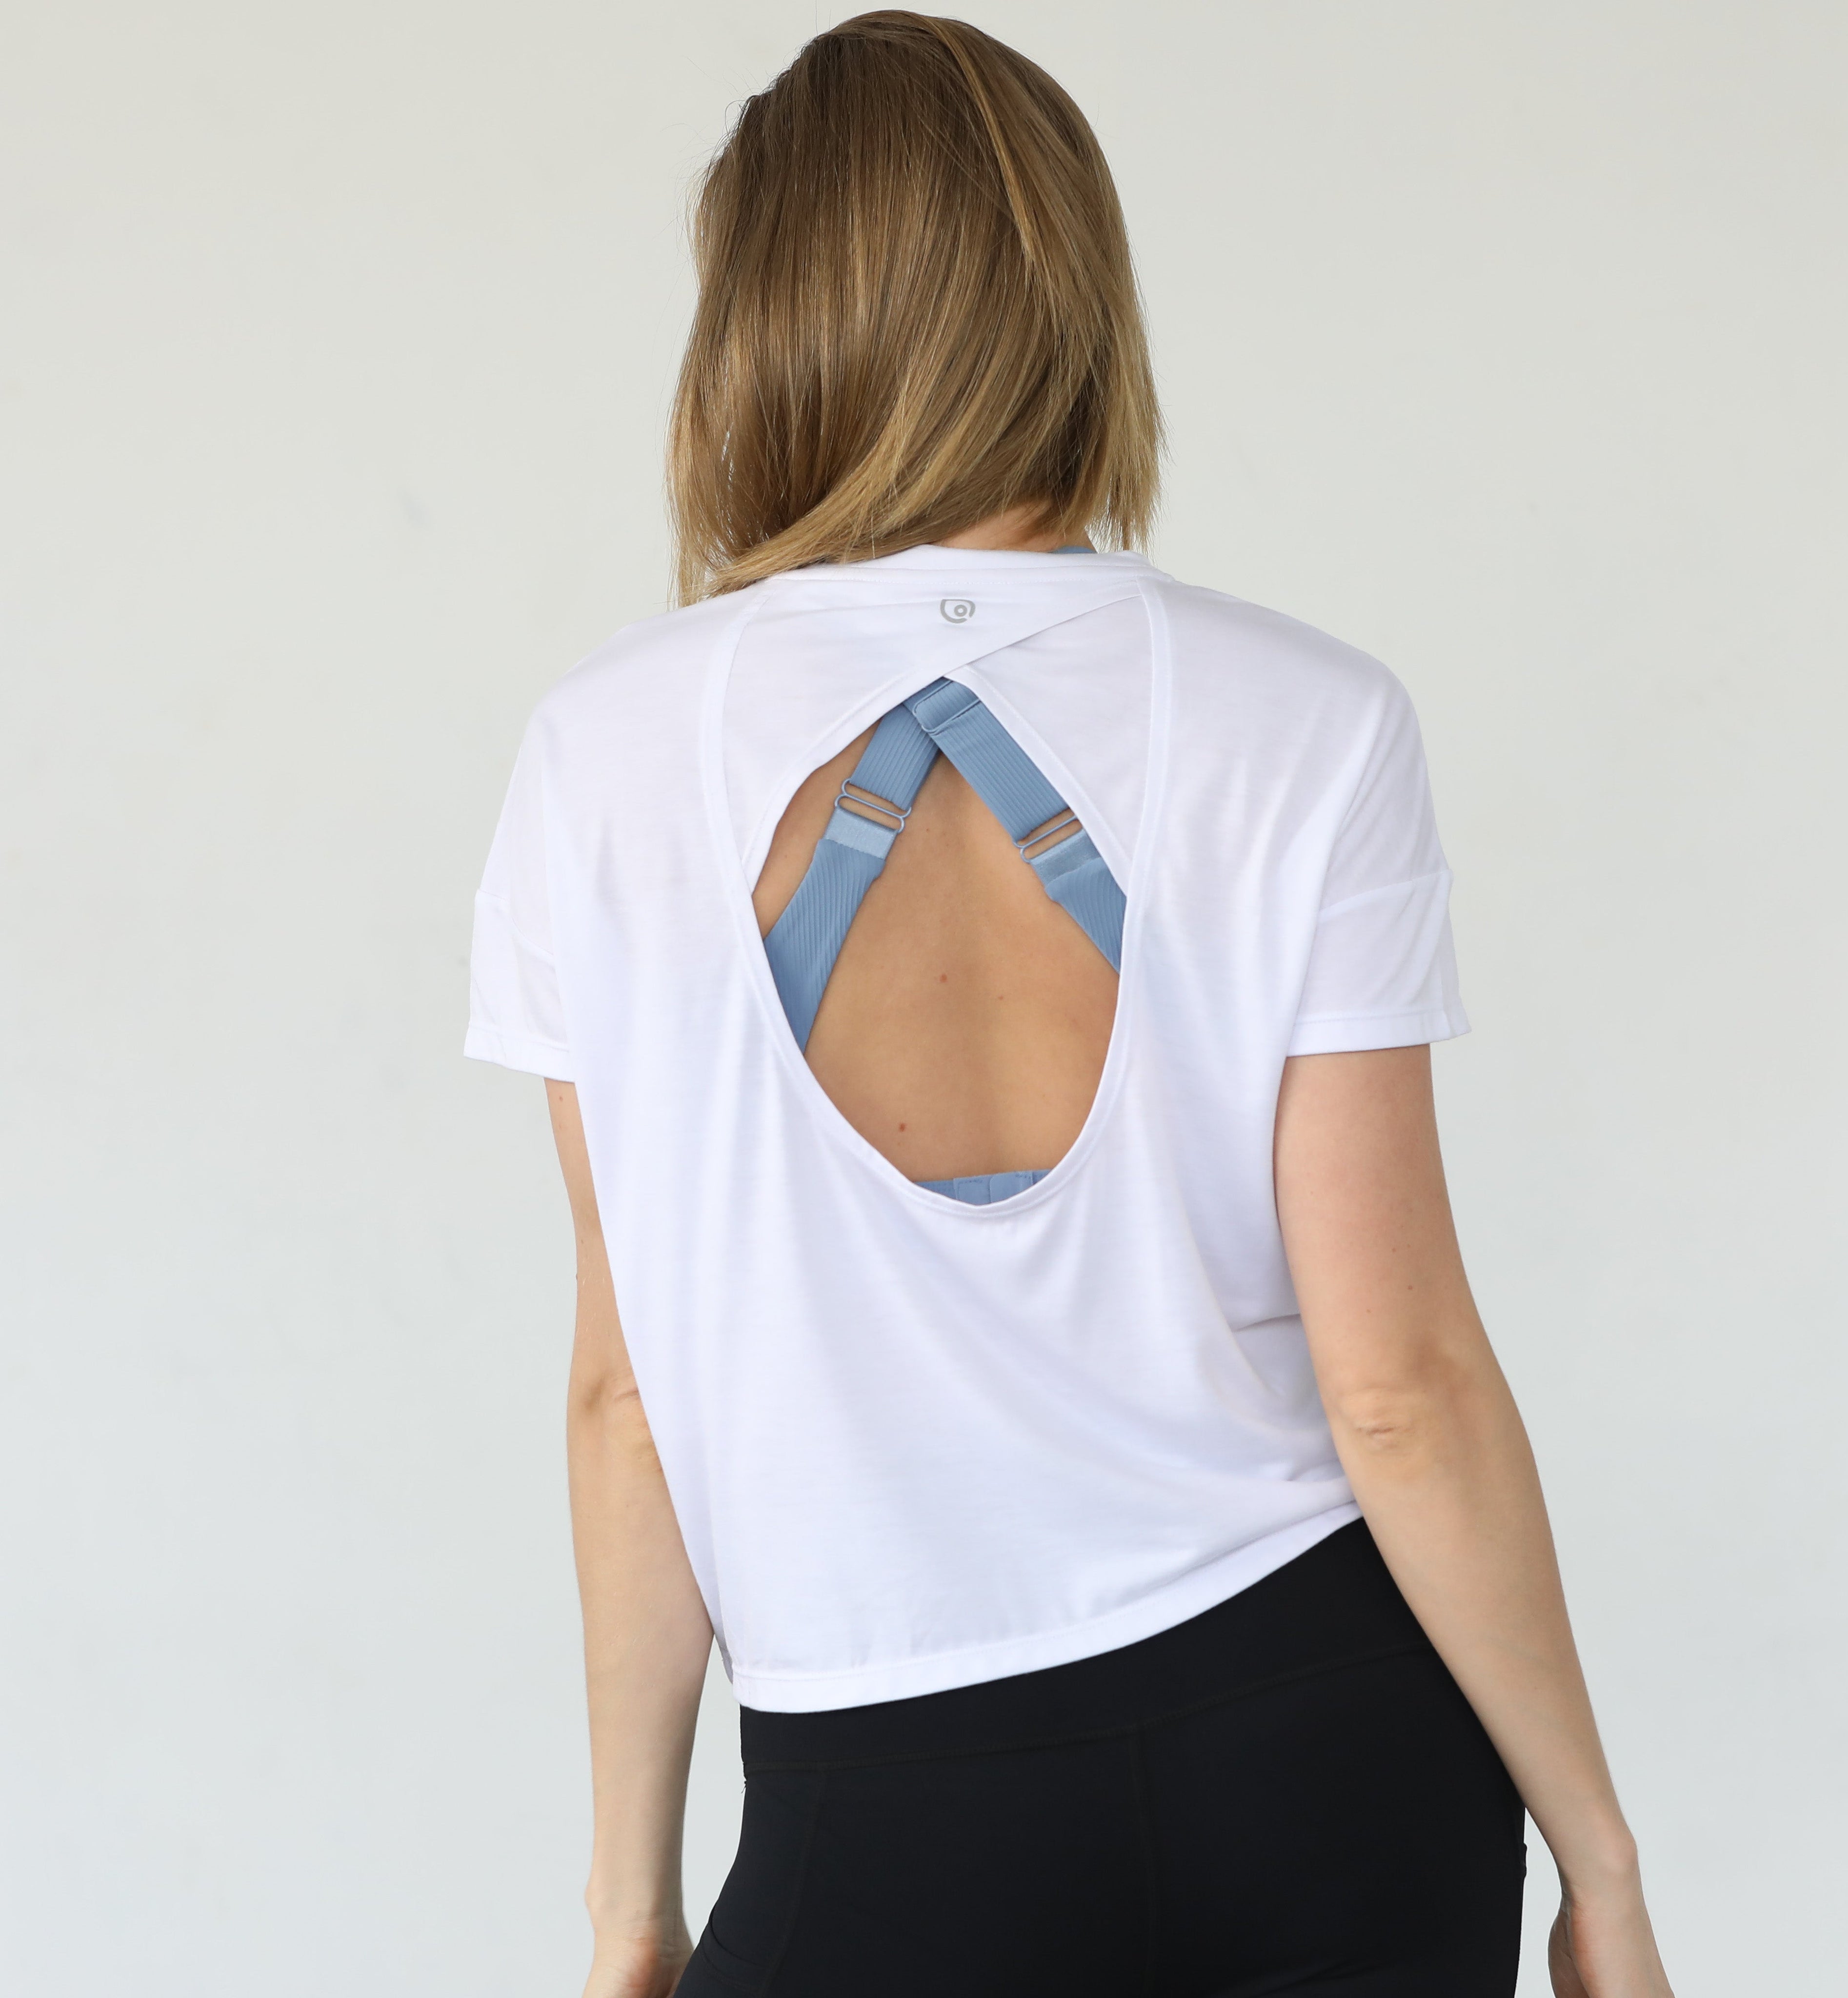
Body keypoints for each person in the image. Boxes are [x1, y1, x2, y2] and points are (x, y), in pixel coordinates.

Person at [466, 13, 1676, 1996]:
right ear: (1070, 294)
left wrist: (631, 1909)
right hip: (1329, 1747)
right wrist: (1598, 1866)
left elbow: (629, 1404)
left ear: (758, 324)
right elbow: (1400, 1387)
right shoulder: (1309, 718)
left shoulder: (602, 758)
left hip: (883, 1801)